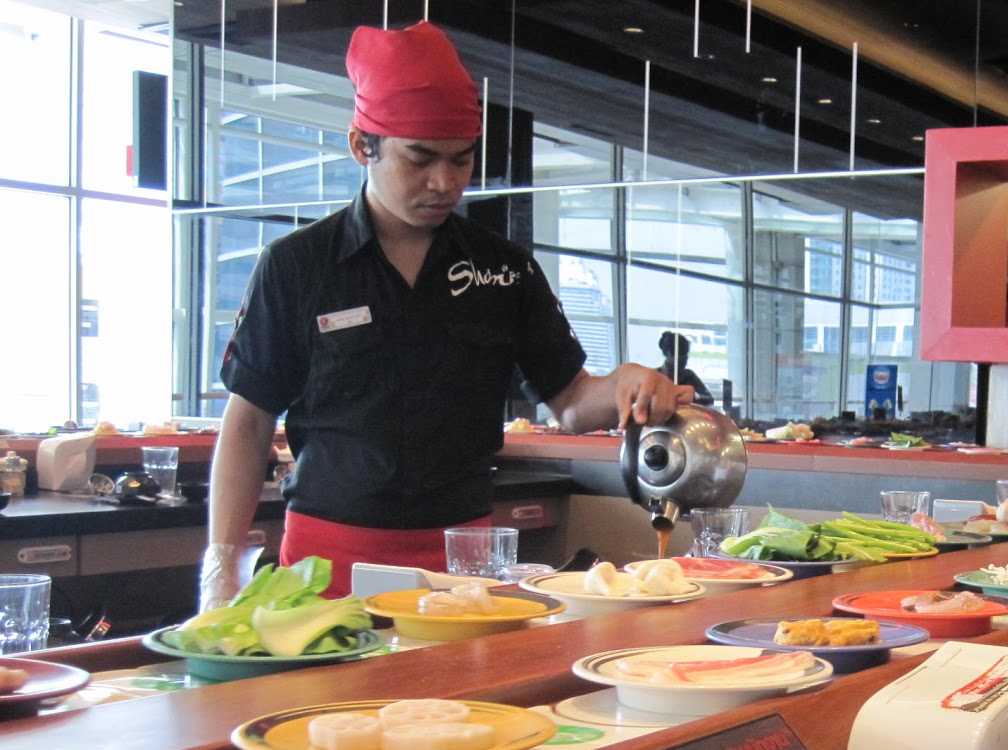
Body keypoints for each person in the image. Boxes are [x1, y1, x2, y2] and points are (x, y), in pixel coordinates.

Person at [200, 21, 694, 607]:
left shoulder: (505, 269)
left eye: (461, 161)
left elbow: (567, 400)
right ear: (363, 146)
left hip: (463, 557)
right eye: (421, 160)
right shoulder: (297, 265)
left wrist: (625, 385)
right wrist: (221, 570)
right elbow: (249, 421)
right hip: (326, 557)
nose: (444, 182)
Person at [656, 331, 713, 402]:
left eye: (686, 353)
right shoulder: (655, 376)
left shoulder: (689, 376)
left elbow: (709, 399)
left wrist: (692, 396)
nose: (686, 358)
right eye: (682, 353)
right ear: (669, 352)